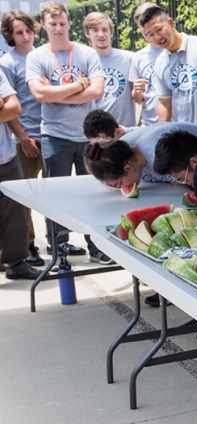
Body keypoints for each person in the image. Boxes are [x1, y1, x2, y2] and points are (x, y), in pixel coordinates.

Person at [26, 1, 112, 263]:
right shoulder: (37, 56)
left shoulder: (86, 53)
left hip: (88, 136)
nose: (58, 28)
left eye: (62, 23)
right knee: (57, 194)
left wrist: (56, 94)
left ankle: (96, 244)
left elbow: (97, 90)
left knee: (94, 192)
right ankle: (59, 246)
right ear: (43, 25)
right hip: (55, 136)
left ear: (69, 24)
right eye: (53, 24)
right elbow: (39, 94)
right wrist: (78, 86)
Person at [139, 6, 197, 127]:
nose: (157, 37)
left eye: (159, 30)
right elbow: (164, 103)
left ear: (170, 22)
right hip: (184, 134)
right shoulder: (160, 63)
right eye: (151, 34)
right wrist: (161, 132)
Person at [1, 10, 45, 266]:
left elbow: (12, 104)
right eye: (19, 32)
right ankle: (28, 247)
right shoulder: (7, 63)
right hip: (23, 138)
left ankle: (57, 242)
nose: (26, 36)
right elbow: (10, 110)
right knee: (22, 199)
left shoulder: (42, 56)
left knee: (51, 195)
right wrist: (23, 138)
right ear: (10, 35)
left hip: (49, 133)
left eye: (28, 31)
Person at [83, 121, 197, 187]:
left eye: (119, 183)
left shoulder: (160, 153)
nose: (118, 187)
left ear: (128, 168)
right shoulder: (122, 148)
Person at [0, 68, 42, 280]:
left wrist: (5, 104)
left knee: (15, 215)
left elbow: (15, 109)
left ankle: (16, 264)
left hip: (6, 157)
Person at [83, 12, 137, 128]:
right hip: (96, 131)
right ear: (87, 33)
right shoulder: (83, 63)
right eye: (95, 30)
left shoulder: (129, 58)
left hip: (126, 130)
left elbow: (139, 95)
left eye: (105, 30)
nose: (101, 34)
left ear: (111, 32)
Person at [131, 2, 162, 126]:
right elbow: (139, 100)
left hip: (175, 120)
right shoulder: (138, 57)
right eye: (141, 25)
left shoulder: (172, 49)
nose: (146, 29)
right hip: (150, 123)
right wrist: (137, 90)